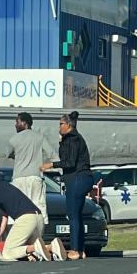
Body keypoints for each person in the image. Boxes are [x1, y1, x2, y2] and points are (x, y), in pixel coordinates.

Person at [0, 163, 65, 262]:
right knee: (29, 252)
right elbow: (4, 217)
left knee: (8, 253)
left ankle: (38, 248)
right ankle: (51, 247)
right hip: (38, 217)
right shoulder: (6, 185)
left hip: (26, 220)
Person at [43, 111, 92, 260]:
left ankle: (75, 249)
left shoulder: (72, 139)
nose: (59, 127)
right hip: (80, 179)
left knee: (72, 214)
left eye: (61, 124)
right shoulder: (72, 139)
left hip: (78, 178)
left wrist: (51, 164)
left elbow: (69, 162)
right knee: (77, 215)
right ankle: (81, 249)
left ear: (68, 125)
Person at [7, 112, 55, 222]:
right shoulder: (40, 137)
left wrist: (19, 156)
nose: (15, 125)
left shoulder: (13, 139)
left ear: (24, 123)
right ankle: (39, 235)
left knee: (18, 208)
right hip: (35, 176)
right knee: (38, 208)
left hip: (19, 178)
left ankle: (19, 233)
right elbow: (52, 154)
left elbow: (9, 153)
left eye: (17, 122)